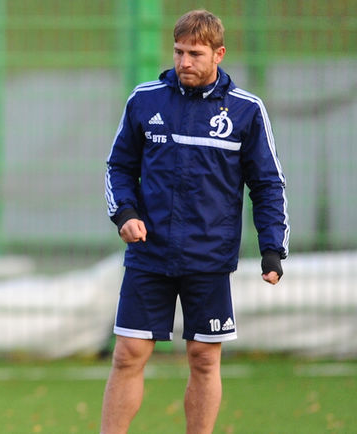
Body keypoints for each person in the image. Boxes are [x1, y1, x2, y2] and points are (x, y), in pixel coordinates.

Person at [101, 10, 288, 434]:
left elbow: (268, 184)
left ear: (219, 54)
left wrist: (272, 249)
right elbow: (118, 167)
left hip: (208, 257)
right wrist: (125, 214)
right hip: (149, 253)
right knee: (128, 352)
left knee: (204, 358)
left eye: (195, 54)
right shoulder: (145, 100)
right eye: (179, 51)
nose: (184, 62)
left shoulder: (246, 111)